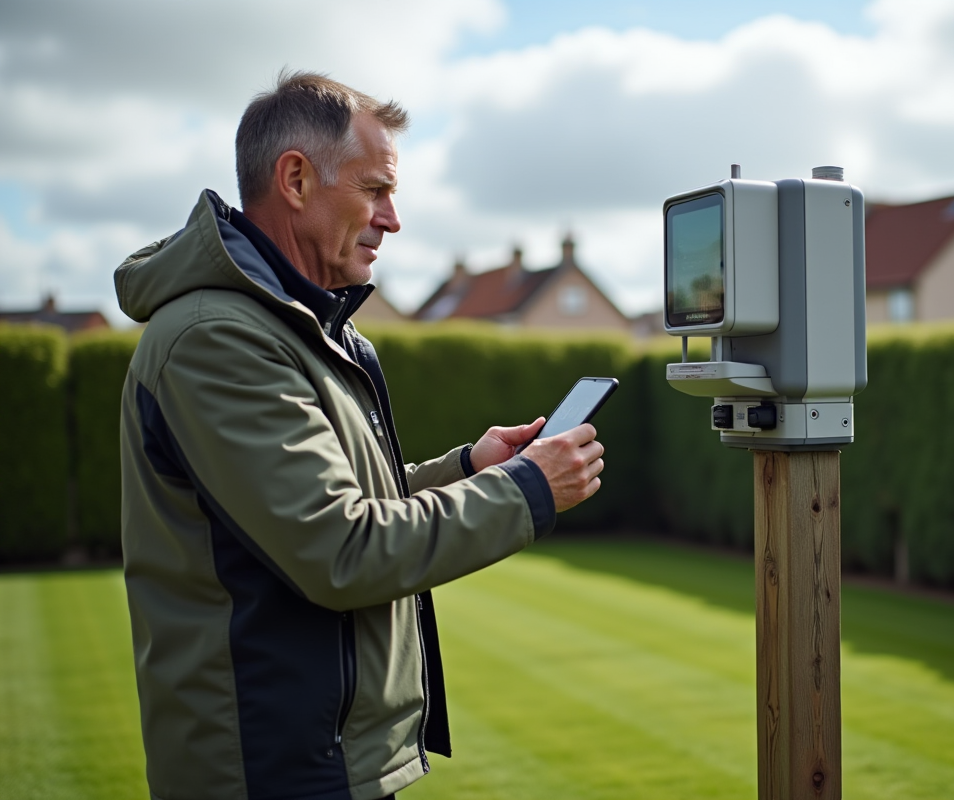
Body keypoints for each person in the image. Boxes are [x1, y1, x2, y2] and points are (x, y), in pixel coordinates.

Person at [116, 71, 605, 800]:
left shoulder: (292, 328)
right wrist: (527, 489)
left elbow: (333, 506)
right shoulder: (217, 340)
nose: (392, 218)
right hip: (269, 773)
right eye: (376, 190)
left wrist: (468, 468)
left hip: (321, 762)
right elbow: (340, 549)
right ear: (296, 179)